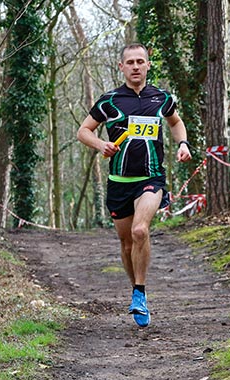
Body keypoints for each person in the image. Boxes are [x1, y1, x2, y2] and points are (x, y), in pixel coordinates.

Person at [77, 43, 192, 327]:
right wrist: (100, 144)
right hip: (119, 182)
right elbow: (83, 131)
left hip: (151, 179)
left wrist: (183, 143)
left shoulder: (161, 97)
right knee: (127, 242)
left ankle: (140, 292)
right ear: (122, 67)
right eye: (130, 62)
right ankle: (136, 291)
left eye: (141, 61)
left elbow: (176, 122)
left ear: (148, 65)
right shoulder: (109, 100)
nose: (136, 66)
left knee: (141, 230)